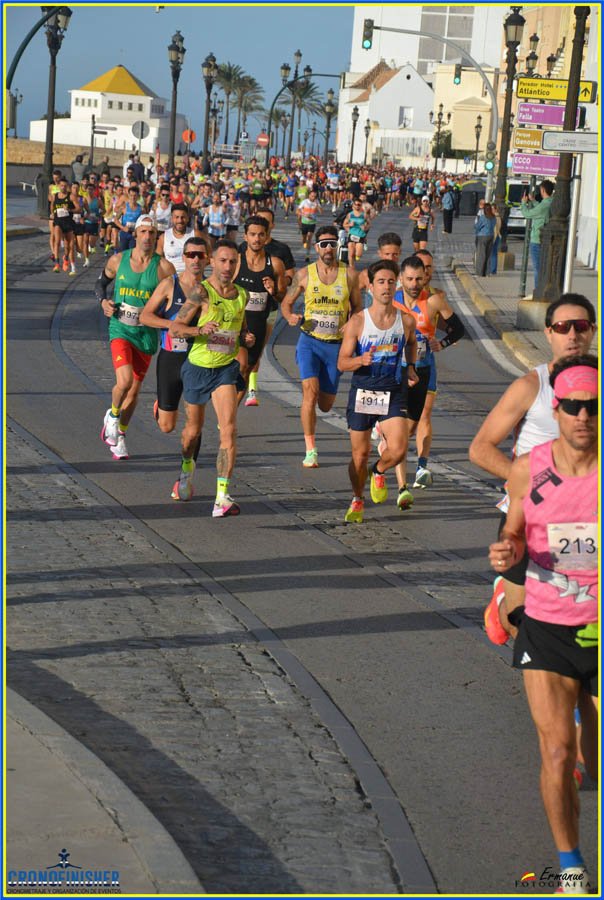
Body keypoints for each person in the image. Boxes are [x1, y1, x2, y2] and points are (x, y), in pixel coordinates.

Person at [488, 354, 597, 895]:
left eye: (592, 406)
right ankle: (572, 871)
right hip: (548, 625)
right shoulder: (530, 467)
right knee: (555, 751)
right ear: (557, 409)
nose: (582, 415)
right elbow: (513, 531)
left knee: (591, 763)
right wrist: (506, 552)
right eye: (573, 406)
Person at [469, 294, 597, 644]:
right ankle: (501, 604)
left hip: (584, 520)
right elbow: (480, 448)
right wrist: (532, 481)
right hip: (527, 518)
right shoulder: (532, 386)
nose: (572, 334)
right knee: (519, 622)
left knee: (581, 614)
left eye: (581, 326)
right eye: (562, 327)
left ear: (593, 331)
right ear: (548, 333)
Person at [165, 239, 256, 517]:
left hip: (225, 370)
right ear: (212, 262)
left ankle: (222, 495)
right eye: (223, 261)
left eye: (233, 262)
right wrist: (199, 330)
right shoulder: (200, 293)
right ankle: (186, 467)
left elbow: (240, 328)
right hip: (197, 368)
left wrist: (245, 338)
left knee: (228, 429)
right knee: (193, 431)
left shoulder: (242, 295)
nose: (228, 267)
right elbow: (175, 330)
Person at [337, 260, 418, 523]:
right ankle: (357, 497)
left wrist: (412, 367)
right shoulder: (358, 322)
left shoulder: (406, 321)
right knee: (359, 456)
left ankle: (379, 470)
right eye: (380, 282)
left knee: (399, 449)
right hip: (363, 391)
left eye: (390, 282)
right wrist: (360, 361)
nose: (386, 286)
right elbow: (342, 362)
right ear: (370, 287)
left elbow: (412, 344)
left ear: (396, 285)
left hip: (392, 391)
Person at [281, 225, 361, 467]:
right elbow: (286, 303)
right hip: (309, 342)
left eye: (332, 244)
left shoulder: (350, 275)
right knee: (310, 392)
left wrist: (352, 325)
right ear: (316, 248)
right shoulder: (304, 274)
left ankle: (314, 431)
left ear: (338, 247)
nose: (328, 248)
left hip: (335, 346)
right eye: (324, 244)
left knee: (325, 405)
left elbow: (357, 308)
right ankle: (310, 450)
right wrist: (290, 317)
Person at [96, 215, 175, 460]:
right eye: (143, 232)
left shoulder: (164, 268)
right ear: (136, 234)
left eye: (152, 233)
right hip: (121, 328)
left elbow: (173, 303)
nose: (148, 237)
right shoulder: (118, 260)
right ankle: (113, 413)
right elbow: (101, 283)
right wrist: (103, 302)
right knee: (125, 380)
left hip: (146, 334)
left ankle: (120, 435)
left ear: (156, 236)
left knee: (135, 390)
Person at [390, 254, 465, 507]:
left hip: (423, 369)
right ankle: (402, 486)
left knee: (413, 426)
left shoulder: (433, 300)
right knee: (400, 430)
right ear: (401, 278)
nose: (414, 284)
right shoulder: (389, 298)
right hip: (394, 370)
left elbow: (459, 329)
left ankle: (391, 457)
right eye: (409, 279)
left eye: (418, 279)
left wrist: (441, 343)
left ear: (426, 277)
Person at [139, 237, 210, 498]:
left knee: (195, 422)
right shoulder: (170, 285)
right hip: (170, 357)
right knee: (167, 426)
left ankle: (186, 475)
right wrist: (173, 326)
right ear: (184, 256)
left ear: (207, 259)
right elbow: (146, 316)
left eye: (200, 255)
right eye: (190, 254)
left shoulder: (210, 290)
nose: (195, 260)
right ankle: (161, 407)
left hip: (198, 361)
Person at [234, 216, 286, 406]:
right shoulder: (236, 262)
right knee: (239, 367)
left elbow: (281, 297)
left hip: (258, 324)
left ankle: (230, 411)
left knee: (247, 368)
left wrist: (274, 290)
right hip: (235, 323)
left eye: (261, 235)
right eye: (253, 234)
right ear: (245, 236)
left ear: (267, 236)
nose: (256, 239)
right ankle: (226, 411)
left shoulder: (276, 264)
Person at [520, 180, 554, 290]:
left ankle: (538, 290)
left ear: (543, 190)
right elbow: (540, 210)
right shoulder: (551, 202)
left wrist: (523, 203)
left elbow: (527, 214)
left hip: (537, 240)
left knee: (537, 269)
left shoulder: (544, 205)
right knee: (544, 268)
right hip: (547, 240)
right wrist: (534, 201)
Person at [157, 203, 195, 274]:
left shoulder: (195, 234)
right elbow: (157, 260)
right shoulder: (163, 237)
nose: (180, 220)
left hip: (191, 277)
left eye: (183, 217)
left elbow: (209, 256)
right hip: (171, 277)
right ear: (171, 218)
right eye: (176, 217)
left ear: (187, 218)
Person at [342, 198, 370, 266]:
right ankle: (351, 267)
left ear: (361, 206)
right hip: (352, 235)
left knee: (358, 254)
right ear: (353, 205)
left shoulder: (364, 215)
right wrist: (349, 225)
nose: (357, 206)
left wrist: (365, 228)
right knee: (351, 253)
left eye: (359, 205)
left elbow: (369, 224)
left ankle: (354, 259)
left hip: (360, 235)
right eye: (356, 204)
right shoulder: (350, 215)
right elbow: (344, 224)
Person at [296, 189, 321, 262]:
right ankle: (304, 243)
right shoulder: (304, 202)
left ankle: (307, 255)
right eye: (312, 196)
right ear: (309, 195)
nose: (313, 197)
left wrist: (318, 206)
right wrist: (303, 214)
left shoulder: (317, 202)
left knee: (309, 238)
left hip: (312, 223)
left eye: (315, 196)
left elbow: (321, 212)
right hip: (304, 222)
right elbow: (297, 211)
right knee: (304, 239)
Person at [474, 202, 496, 276]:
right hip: (491, 236)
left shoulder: (483, 217)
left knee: (481, 255)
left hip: (482, 236)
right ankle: (487, 272)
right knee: (488, 255)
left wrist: (476, 232)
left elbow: (477, 226)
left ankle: (480, 272)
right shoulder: (493, 217)